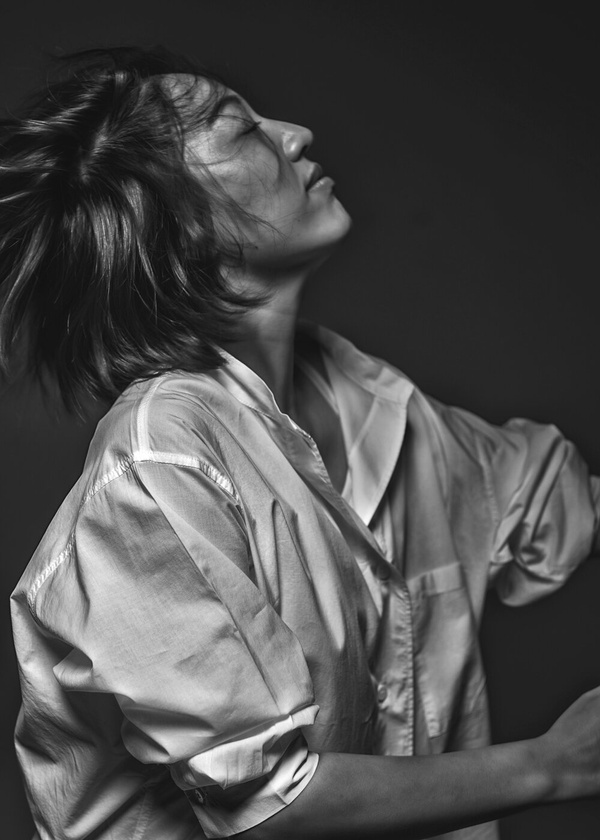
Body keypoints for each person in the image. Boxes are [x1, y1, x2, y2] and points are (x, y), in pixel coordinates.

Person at [2, 46, 600, 840]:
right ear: (181, 226)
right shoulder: (161, 459)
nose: (296, 133)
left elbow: (549, 498)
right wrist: (556, 764)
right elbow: (265, 808)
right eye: (240, 127)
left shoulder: (371, 401)